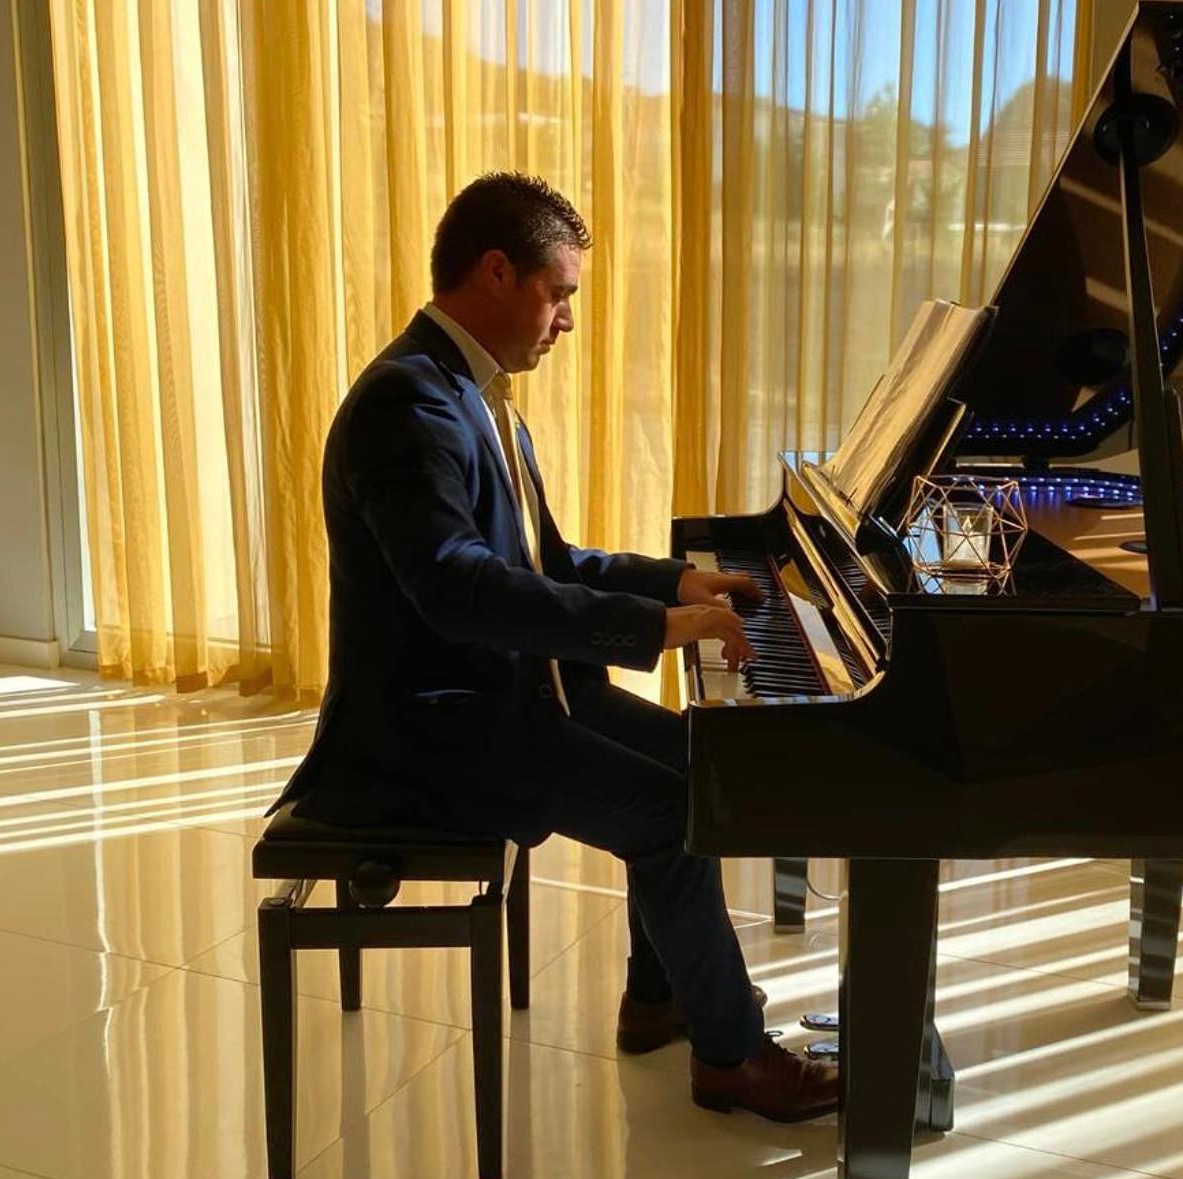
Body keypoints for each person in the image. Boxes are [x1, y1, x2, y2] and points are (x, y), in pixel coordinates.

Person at [274, 172, 840, 1123]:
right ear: (497, 273)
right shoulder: (406, 405)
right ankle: (734, 1058)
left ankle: (657, 997)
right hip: (429, 733)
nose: (568, 319)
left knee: (707, 766)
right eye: (559, 292)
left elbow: (549, 560)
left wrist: (674, 584)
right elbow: (458, 589)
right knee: (672, 813)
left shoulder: (473, 392)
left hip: (503, 696)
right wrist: (653, 630)